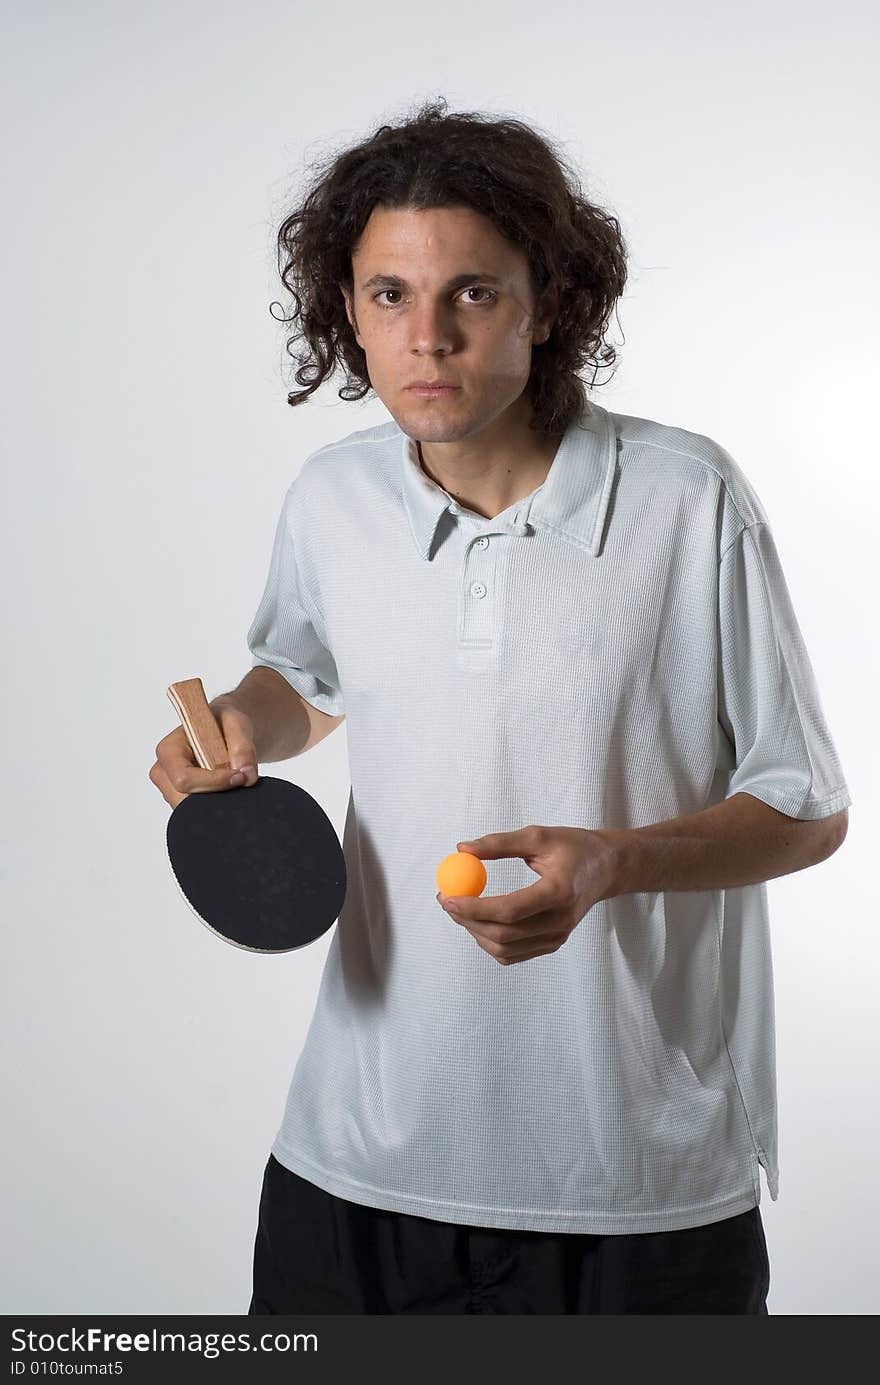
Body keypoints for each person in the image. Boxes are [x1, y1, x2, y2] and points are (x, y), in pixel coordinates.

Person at [150, 97, 851, 1314]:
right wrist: (237, 733)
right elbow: (307, 678)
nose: (426, 337)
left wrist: (614, 863)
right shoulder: (331, 500)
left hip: (635, 1192)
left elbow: (805, 807)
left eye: (470, 292)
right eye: (386, 296)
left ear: (548, 303)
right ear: (346, 312)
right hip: (352, 1165)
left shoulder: (687, 501)